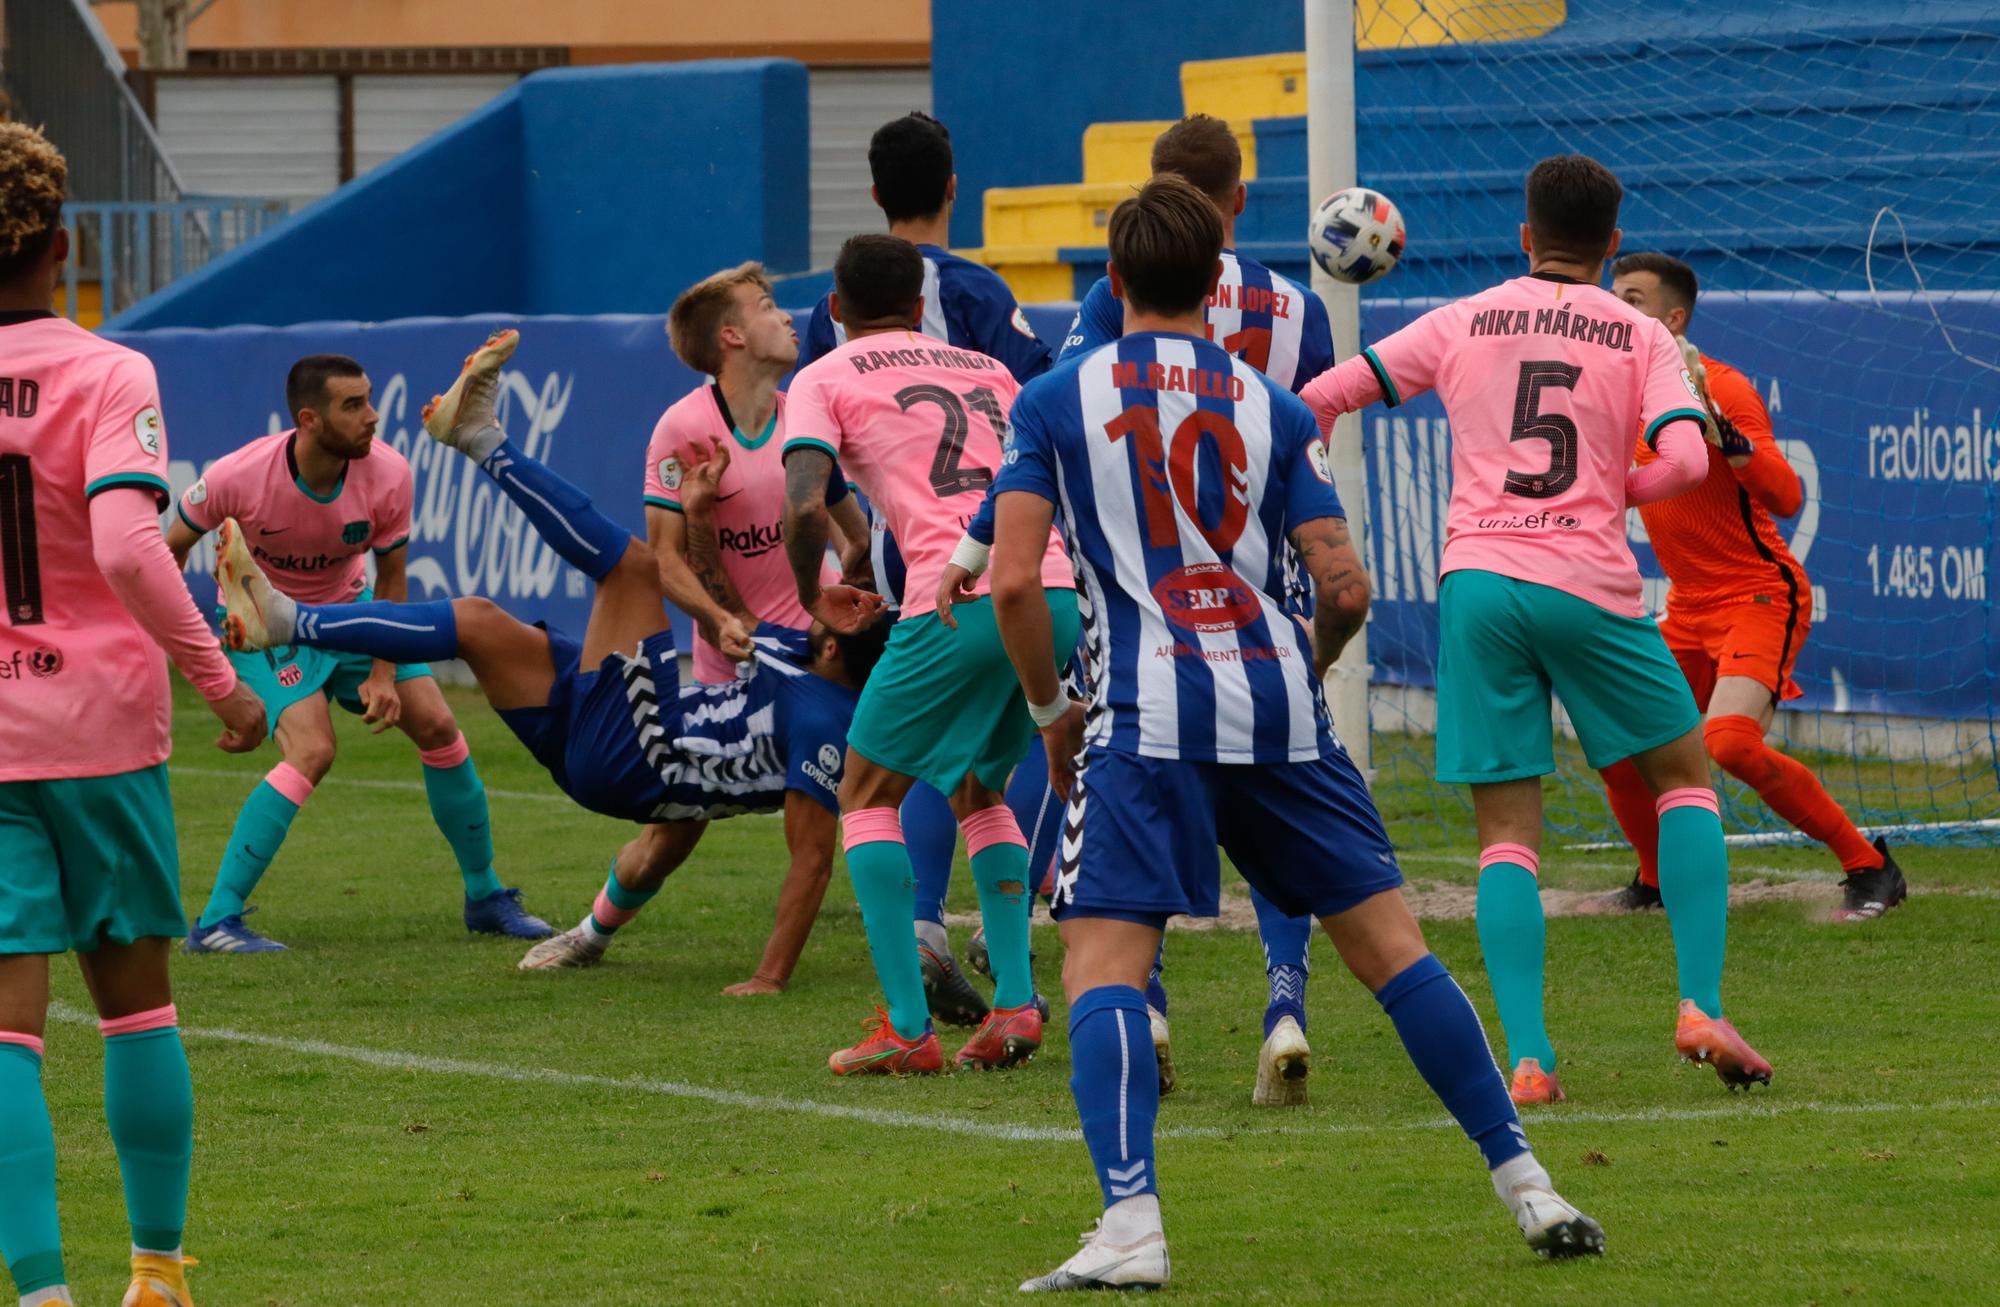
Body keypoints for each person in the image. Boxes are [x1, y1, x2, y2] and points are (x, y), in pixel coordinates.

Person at [989, 174, 1602, 1292]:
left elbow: (1014, 583)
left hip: (1141, 708)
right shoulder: (1271, 405)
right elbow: (1346, 586)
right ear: (1214, 285)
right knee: (1390, 948)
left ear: (1114, 280)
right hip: (1276, 707)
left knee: (1102, 965)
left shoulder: (1052, 400)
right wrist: (1299, 677)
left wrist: (1048, 717)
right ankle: (1527, 1180)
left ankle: (1129, 1224)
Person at [213, 330, 885, 996]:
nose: (844, 591)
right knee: (476, 621)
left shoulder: (830, 723)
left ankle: (479, 439)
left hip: (636, 751)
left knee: (631, 568)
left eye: (855, 603)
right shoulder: (796, 650)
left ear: (836, 644)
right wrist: (701, 515)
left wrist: (770, 977)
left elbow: (813, 858)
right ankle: (281, 620)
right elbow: (718, 598)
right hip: (624, 748)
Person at [1302, 155, 1773, 1106]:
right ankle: (1700, 1004)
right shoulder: (1639, 331)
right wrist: (1610, 489)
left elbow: (1323, 395)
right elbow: (1685, 460)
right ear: (1610, 244)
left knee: (1507, 835)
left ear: (1523, 237)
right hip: (1586, 579)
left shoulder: (1461, 318)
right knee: (1685, 778)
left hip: (1477, 580)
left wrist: (1301, 486)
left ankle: (1529, 1057)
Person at [947, 112, 1341, 1105]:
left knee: (1130, 797)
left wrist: (972, 542)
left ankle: (1145, 997)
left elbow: (1059, 414)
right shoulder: (1298, 306)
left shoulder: (1108, 299)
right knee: (1276, 805)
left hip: (1145, 592)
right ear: (1238, 200)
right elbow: (1307, 439)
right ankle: (1284, 1002)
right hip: (1266, 584)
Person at [0, 121, 267, 1307]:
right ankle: (155, 1275)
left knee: (8, 1034)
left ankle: (42, 1290)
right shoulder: (110, 372)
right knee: (136, 1007)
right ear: (60, 244)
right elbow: (125, 542)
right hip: (99, 730)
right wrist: (220, 679)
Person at [516, 262, 872, 984]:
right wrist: (716, 618)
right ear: (733, 335)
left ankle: (929, 930)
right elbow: (665, 559)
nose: (787, 316)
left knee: (890, 779)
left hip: (820, 654)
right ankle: (590, 933)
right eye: (768, 305)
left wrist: (857, 591)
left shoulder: (809, 408)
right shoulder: (684, 427)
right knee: (674, 828)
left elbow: (851, 535)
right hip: (734, 662)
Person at [781, 234, 1079, 1074]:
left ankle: (908, 1030)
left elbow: (805, 503)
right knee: (978, 785)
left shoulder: (824, 374)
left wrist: (811, 595)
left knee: (866, 790)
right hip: (1052, 594)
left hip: (958, 598)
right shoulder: (990, 369)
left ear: (834, 310)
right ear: (920, 305)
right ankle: (1016, 1007)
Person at [166, 355, 551, 952]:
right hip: (263, 629)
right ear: (309, 420)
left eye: (370, 400)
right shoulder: (237, 476)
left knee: (440, 725)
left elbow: (392, 580)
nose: (373, 417)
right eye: (354, 406)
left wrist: (383, 672)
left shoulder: (390, 473)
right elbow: (168, 552)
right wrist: (209, 670)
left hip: (351, 614)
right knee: (314, 749)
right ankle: (217, 922)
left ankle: (485, 897)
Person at [1587, 251, 1907, 922]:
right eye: (1614, 294)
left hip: (1759, 594)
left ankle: (1870, 865)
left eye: (1635, 298)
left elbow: (1787, 495)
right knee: (1619, 751)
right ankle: (1658, 881)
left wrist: (1729, 442)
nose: (1618, 306)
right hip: (1687, 607)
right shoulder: (1617, 394)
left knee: (1728, 742)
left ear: (1674, 318)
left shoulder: (1722, 389)